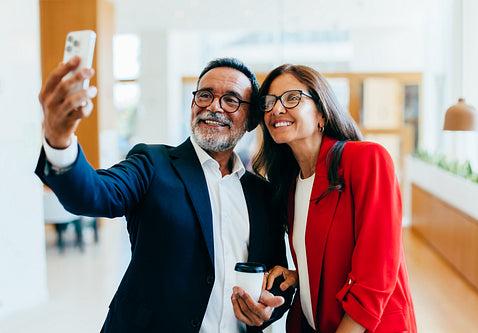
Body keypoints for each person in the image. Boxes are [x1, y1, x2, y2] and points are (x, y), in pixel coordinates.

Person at [35, 56, 294, 332]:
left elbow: (277, 277)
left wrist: (270, 307)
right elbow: (93, 194)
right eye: (204, 95)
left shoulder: (264, 196)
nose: (213, 107)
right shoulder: (151, 163)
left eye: (231, 100)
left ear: (252, 119)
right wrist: (59, 140)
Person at [246, 64, 417, 332]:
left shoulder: (367, 159)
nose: (276, 109)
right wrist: (300, 276)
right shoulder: (291, 184)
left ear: (322, 114)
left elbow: (375, 276)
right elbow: (333, 258)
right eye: (268, 103)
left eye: (292, 98)